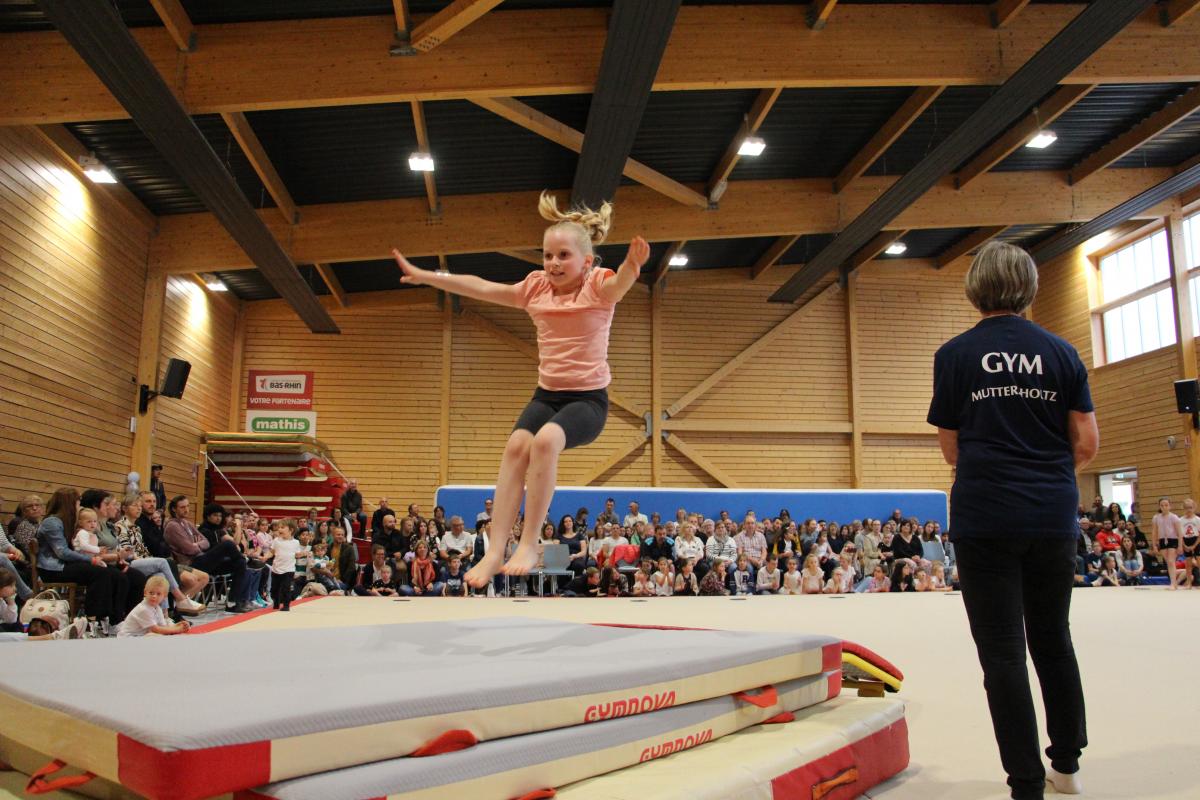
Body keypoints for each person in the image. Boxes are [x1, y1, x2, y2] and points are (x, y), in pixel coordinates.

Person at [393, 193, 649, 588]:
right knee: (515, 447)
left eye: (563, 255)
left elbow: (620, 286)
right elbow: (482, 287)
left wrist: (632, 266)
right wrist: (430, 276)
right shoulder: (535, 288)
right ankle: (496, 549)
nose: (553, 263)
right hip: (547, 395)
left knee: (545, 442)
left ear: (586, 261)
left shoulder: (597, 287)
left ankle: (529, 543)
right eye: (547, 255)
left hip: (588, 401)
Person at [927, 241, 1097, 800]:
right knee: (1053, 638)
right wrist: (1044, 471)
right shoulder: (1062, 352)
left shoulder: (954, 355)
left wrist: (999, 467)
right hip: (1050, 514)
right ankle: (1066, 763)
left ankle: (1025, 783)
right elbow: (1086, 443)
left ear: (975, 288)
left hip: (986, 515)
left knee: (1002, 652)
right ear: (1029, 287)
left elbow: (951, 450)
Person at [164, 495, 252, 613]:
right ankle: (246, 559)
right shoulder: (173, 525)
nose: (186, 509)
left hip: (202, 560)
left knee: (240, 563)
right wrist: (197, 545)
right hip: (190, 564)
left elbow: (206, 542)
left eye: (188, 506)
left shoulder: (187, 523)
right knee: (228, 545)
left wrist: (196, 544)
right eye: (182, 507)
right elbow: (190, 549)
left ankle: (233, 602)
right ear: (174, 509)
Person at [118, 576, 189, 637]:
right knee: (154, 636)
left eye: (158, 594)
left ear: (164, 596)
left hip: (140, 635)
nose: (154, 596)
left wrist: (177, 625)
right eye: (151, 593)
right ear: (145, 592)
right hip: (128, 638)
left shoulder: (157, 608)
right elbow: (155, 629)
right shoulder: (143, 609)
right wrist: (177, 630)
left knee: (158, 635)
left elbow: (163, 626)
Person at [1151, 497, 1185, 590]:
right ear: (1159, 506)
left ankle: (1173, 583)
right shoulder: (1156, 518)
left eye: (1166, 505)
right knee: (1169, 562)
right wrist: (1154, 545)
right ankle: (1174, 582)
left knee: (1171, 561)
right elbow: (1154, 532)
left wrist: (1180, 546)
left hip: (1172, 539)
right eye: (1162, 505)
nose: (1164, 507)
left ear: (1170, 506)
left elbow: (1179, 533)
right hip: (1162, 540)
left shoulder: (1174, 517)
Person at [270, 519, 301, 611]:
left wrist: (303, 554)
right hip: (276, 569)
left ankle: (286, 605)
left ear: (291, 530)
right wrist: (265, 557)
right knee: (274, 588)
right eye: (279, 527)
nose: (279, 529)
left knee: (286, 588)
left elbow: (297, 554)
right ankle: (276, 602)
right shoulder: (276, 541)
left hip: (289, 569)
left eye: (282, 527)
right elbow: (272, 552)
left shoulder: (296, 542)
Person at [1177, 498, 1199, 589]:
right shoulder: (1181, 520)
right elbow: (1180, 535)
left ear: (1194, 508)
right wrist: (1184, 545)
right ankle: (1189, 583)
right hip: (1186, 540)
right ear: (1183, 508)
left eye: (1190, 507)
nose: (1188, 510)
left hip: (1196, 540)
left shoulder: (1197, 519)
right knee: (1188, 564)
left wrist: (1194, 545)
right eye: (1186, 508)